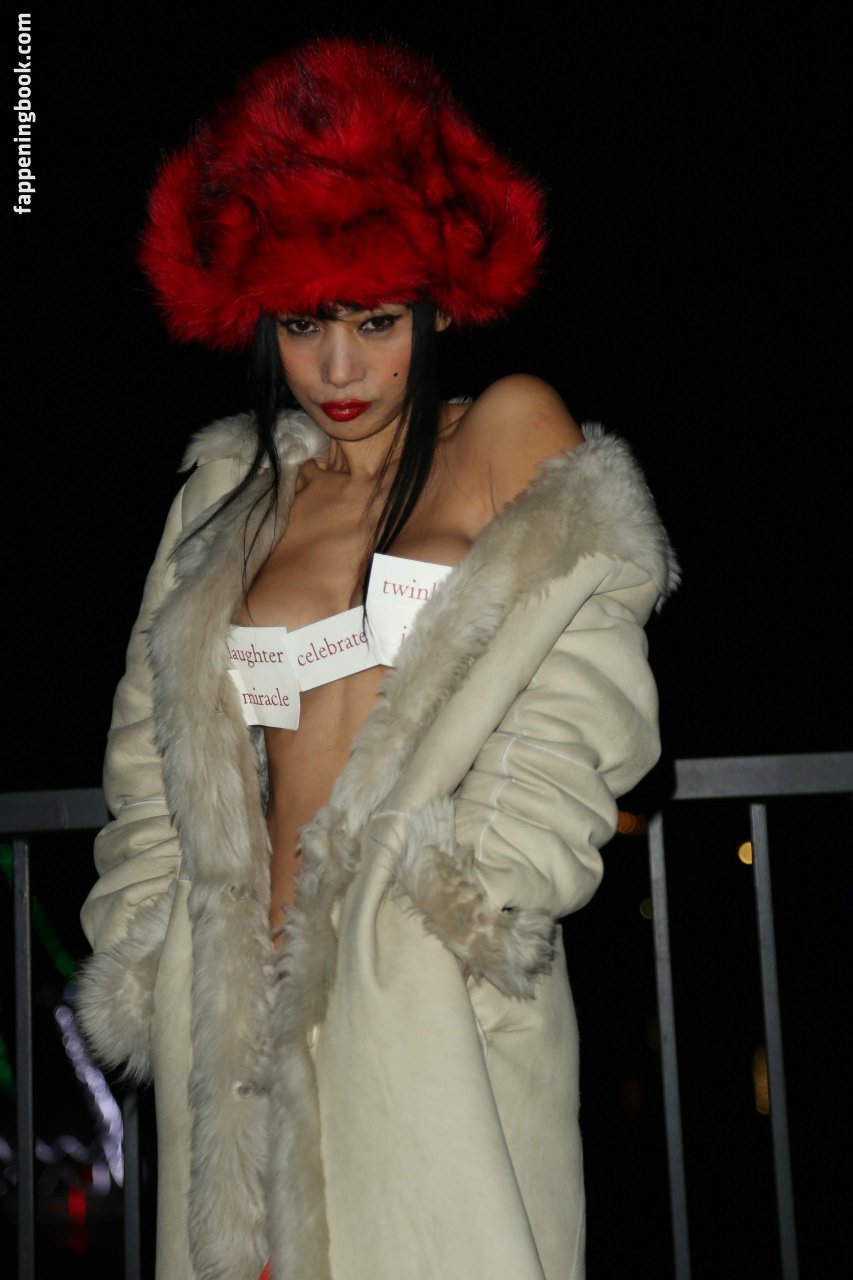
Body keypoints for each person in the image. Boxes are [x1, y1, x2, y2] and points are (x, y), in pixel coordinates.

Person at [76, 36, 678, 1280]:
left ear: (439, 304)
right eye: (305, 325)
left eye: (375, 320)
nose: (340, 368)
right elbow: (150, 751)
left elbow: (583, 703)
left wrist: (466, 914)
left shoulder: (503, 432)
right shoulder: (226, 499)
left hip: (422, 1009)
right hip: (238, 1034)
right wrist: (151, 941)